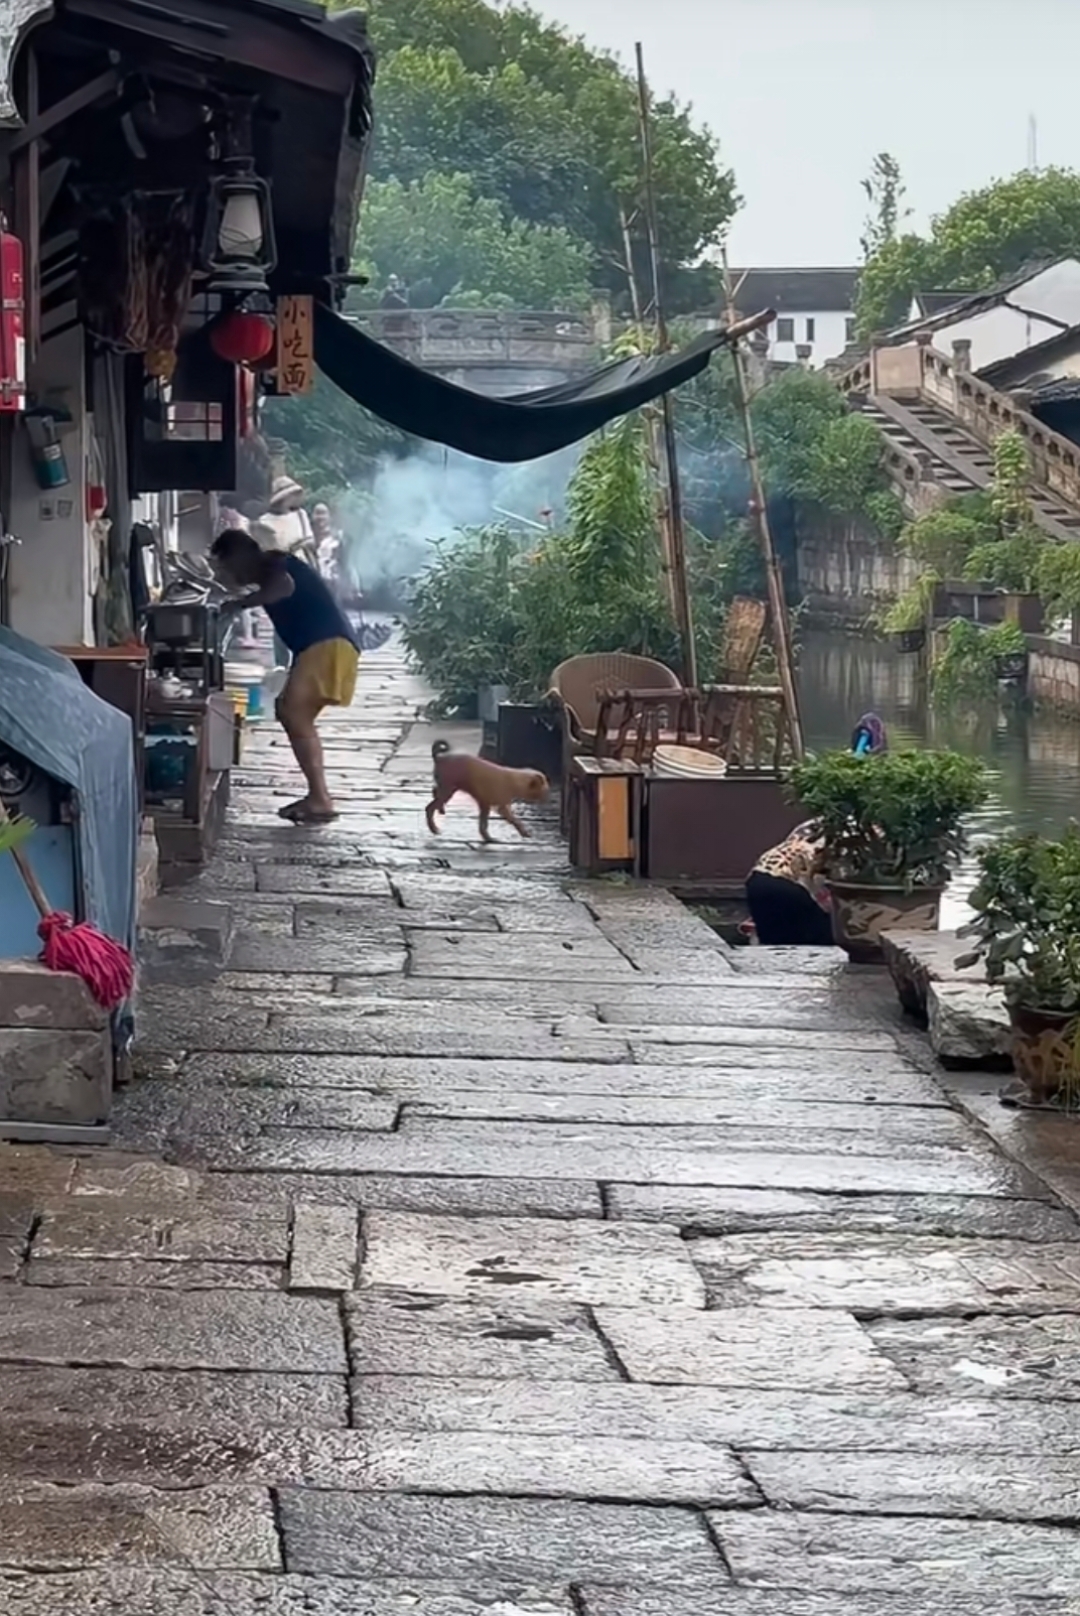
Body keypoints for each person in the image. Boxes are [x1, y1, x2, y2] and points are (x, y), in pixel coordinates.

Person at [211, 529, 360, 824]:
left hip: (326, 644)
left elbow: (282, 588)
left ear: (240, 557)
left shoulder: (276, 565)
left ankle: (320, 798)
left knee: (293, 714)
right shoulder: (269, 567)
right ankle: (318, 796)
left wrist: (238, 604)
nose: (227, 574)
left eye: (226, 567)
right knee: (292, 714)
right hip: (326, 646)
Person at [744, 712, 888, 946]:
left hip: (758, 878)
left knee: (775, 949)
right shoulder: (864, 836)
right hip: (791, 888)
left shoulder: (815, 824)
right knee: (824, 942)